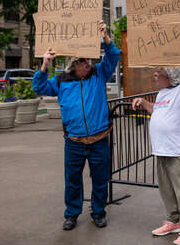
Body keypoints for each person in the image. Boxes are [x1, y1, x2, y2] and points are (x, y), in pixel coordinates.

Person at [32, 20, 120, 231]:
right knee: (72, 181)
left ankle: (98, 212)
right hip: (74, 142)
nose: (88, 63)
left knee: (100, 179)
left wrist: (105, 37)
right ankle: (72, 214)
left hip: (99, 140)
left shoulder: (98, 74)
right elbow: (39, 86)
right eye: (83, 61)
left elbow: (113, 56)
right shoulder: (61, 80)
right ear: (74, 63)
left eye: (89, 59)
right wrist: (45, 64)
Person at [132, 47, 180, 245]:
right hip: (161, 149)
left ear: (169, 74)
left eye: (158, 71)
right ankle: (173, 221)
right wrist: (144, 103)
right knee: (167, 190)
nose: (154, 74)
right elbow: (158, 111)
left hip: (177, 150)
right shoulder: (163, 93)